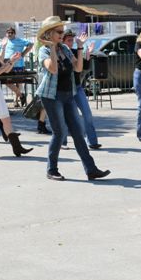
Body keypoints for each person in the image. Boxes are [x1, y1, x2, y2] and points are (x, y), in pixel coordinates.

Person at [36, 16, 110, 181]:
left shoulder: (64, 49)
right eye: (59, 32)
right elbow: (53, 69)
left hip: (68, 95)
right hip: (51, 96)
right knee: (60, 132)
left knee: (78, 131)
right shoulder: (44, 50)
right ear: (49, 34)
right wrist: (52, 48)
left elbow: (78, 68)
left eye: (62, 31)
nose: (62, 34)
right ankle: (52, 169)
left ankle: (91, 169)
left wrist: (80, 47)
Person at [60, 29, 101, 149]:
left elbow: (84, 67)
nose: (71, 42)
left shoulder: (74, 51)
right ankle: (62, 142)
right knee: (66, 116)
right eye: (68, 40)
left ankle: (92, 142)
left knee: (87, 114)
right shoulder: (59, 53)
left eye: (72, 40)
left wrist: (87, 53)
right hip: (65, 89)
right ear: (62, 41)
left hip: (77, 88)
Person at [0, 26, 33, 106]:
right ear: (6, 34)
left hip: (19, 65)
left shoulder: (20, 40)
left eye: (11, 33)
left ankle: (16, 101)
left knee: (19, 83)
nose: (9, 34)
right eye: (8, 33)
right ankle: (21, 95)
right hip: (7, 65)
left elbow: (31, 44)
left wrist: (23, 53)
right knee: (7, 82)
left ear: (14, 34)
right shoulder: (4, 42)